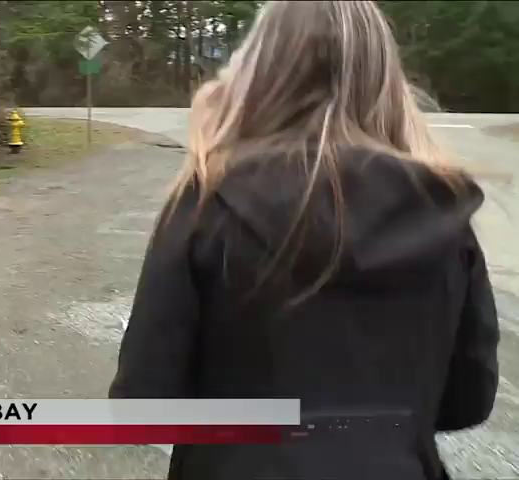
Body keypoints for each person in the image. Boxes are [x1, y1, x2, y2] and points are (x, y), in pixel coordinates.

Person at [108, 1, 500, 479]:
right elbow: (468, 400)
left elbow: (145, 403)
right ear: (386, 81)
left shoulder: (207, 202)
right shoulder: (444, 214)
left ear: (259, 74)